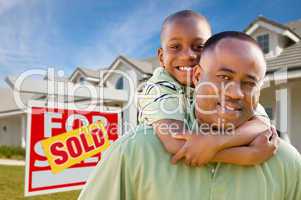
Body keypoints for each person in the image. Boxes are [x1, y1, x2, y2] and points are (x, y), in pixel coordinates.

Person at [78, 32, 301, 200]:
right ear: (196, 76)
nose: (235, 93)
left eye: (249, 83)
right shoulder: (135, 151)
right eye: (223, 77)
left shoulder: (286, 163)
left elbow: (261, 124)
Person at [138, 10, 276, 166]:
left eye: (199, 47)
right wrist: (249, 155)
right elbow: (177, 143)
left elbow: (261, 124)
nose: (187, 55)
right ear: (161, 57)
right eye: (176, 47)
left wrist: (217, 141)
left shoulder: (221, 86)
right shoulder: (158, 87)